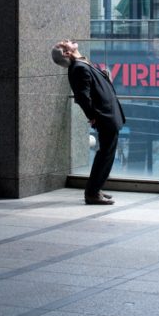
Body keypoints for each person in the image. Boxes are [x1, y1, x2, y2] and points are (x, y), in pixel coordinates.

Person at [52, 39, 125, 205]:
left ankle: (95, 189)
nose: (67, 41)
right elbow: (82, 97)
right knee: (105, 154)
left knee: (107, 153)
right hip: (104, 115)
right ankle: (92, 193)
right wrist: (93, 116)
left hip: (107, 113)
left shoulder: (81, 63)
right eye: (64, 43)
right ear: (66, 53)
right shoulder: (78, 68)